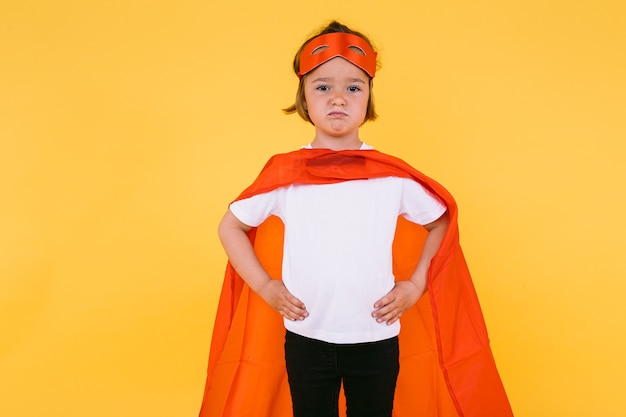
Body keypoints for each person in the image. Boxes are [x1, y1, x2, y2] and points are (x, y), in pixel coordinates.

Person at [198, 21, 513, 417]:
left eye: (353, 87)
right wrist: (264, 286)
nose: (338, 99)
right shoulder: (286, 175)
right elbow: (231, 226)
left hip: (376, 337)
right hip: (306, 336)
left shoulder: (391, 177)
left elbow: (441, 222)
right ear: (304, 99)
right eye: (323, 86)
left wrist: (417, 284)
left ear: (368, 98)